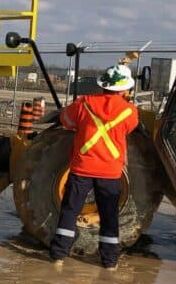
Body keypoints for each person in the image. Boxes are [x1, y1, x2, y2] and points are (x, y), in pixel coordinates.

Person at [49, 63, 139, 270]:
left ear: (103, 85)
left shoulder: (84, 103)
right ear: (124, 89)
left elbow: (66, 121)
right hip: (110, 172)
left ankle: (58, 257)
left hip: (82, 169)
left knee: (70, 211)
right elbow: (130, 128)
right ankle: (109, 262)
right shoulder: (130, 111)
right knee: (109, 216)